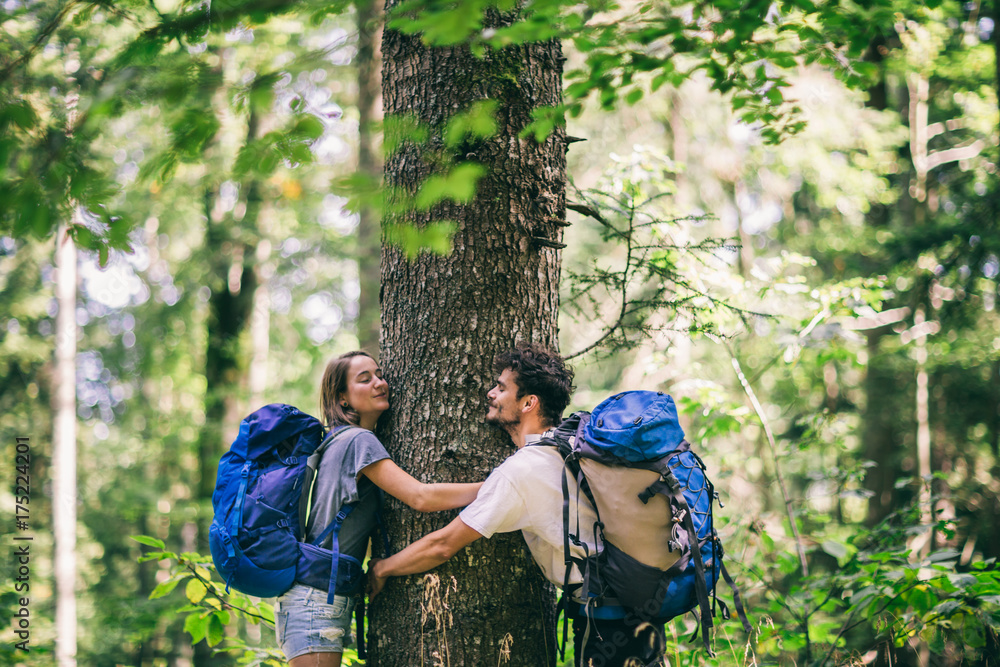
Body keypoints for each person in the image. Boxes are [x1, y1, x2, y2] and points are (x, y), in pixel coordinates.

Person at [368, 342, 666, 667]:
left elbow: (442, 545)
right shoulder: (571, 443)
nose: (490, 394)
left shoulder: (522, 471)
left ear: (528, 403)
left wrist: (383, 568)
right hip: (638, 598)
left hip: (608, 621)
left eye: (500, 388)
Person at [276, 350, 483, 667]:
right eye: (365, 379)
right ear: (342, 398)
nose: (380, 383)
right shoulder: (359, 441)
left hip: (315, 593)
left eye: (380, 375)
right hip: (317, 597)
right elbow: (420, 498)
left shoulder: (334, 440)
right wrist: (497, 486)